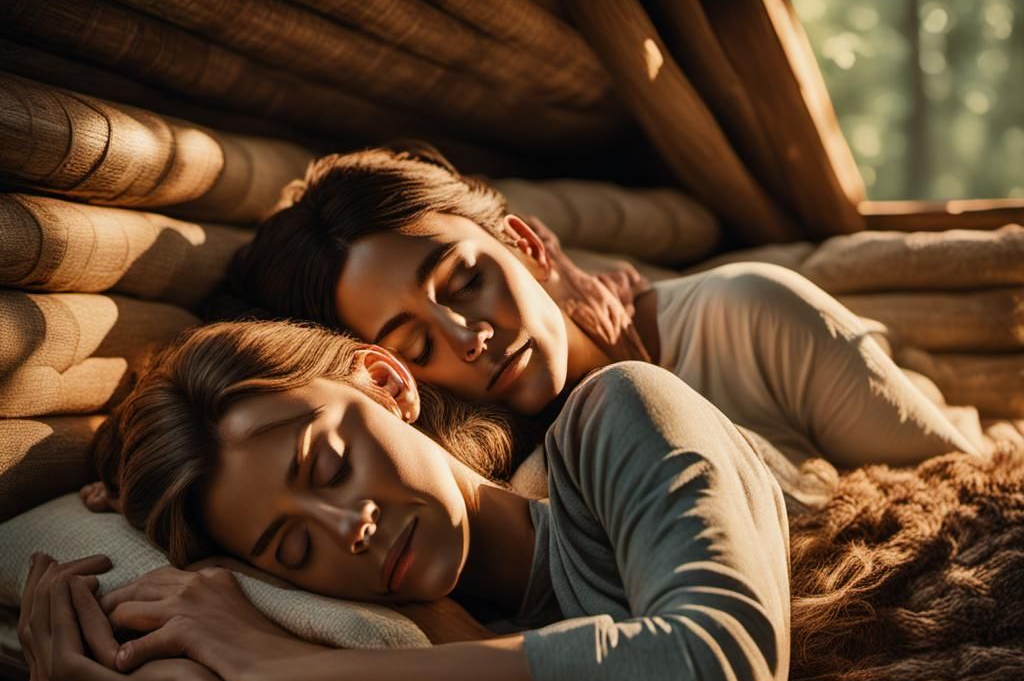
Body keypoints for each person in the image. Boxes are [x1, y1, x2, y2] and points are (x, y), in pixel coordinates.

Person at [19, 318, 792, 681]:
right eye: (291, 549)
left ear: (387, 383)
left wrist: (269, 665)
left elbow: (717, 678)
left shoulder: (620, 413)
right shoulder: (419, 652)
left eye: (328, 465)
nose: (345, 529)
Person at [226, 145, 978, 471]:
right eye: (414, 344)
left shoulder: (749, 320)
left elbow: (961, 497)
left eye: (463, 282)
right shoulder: (484, 472)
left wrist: (638, 378)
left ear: (525, 244)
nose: (467, 337)